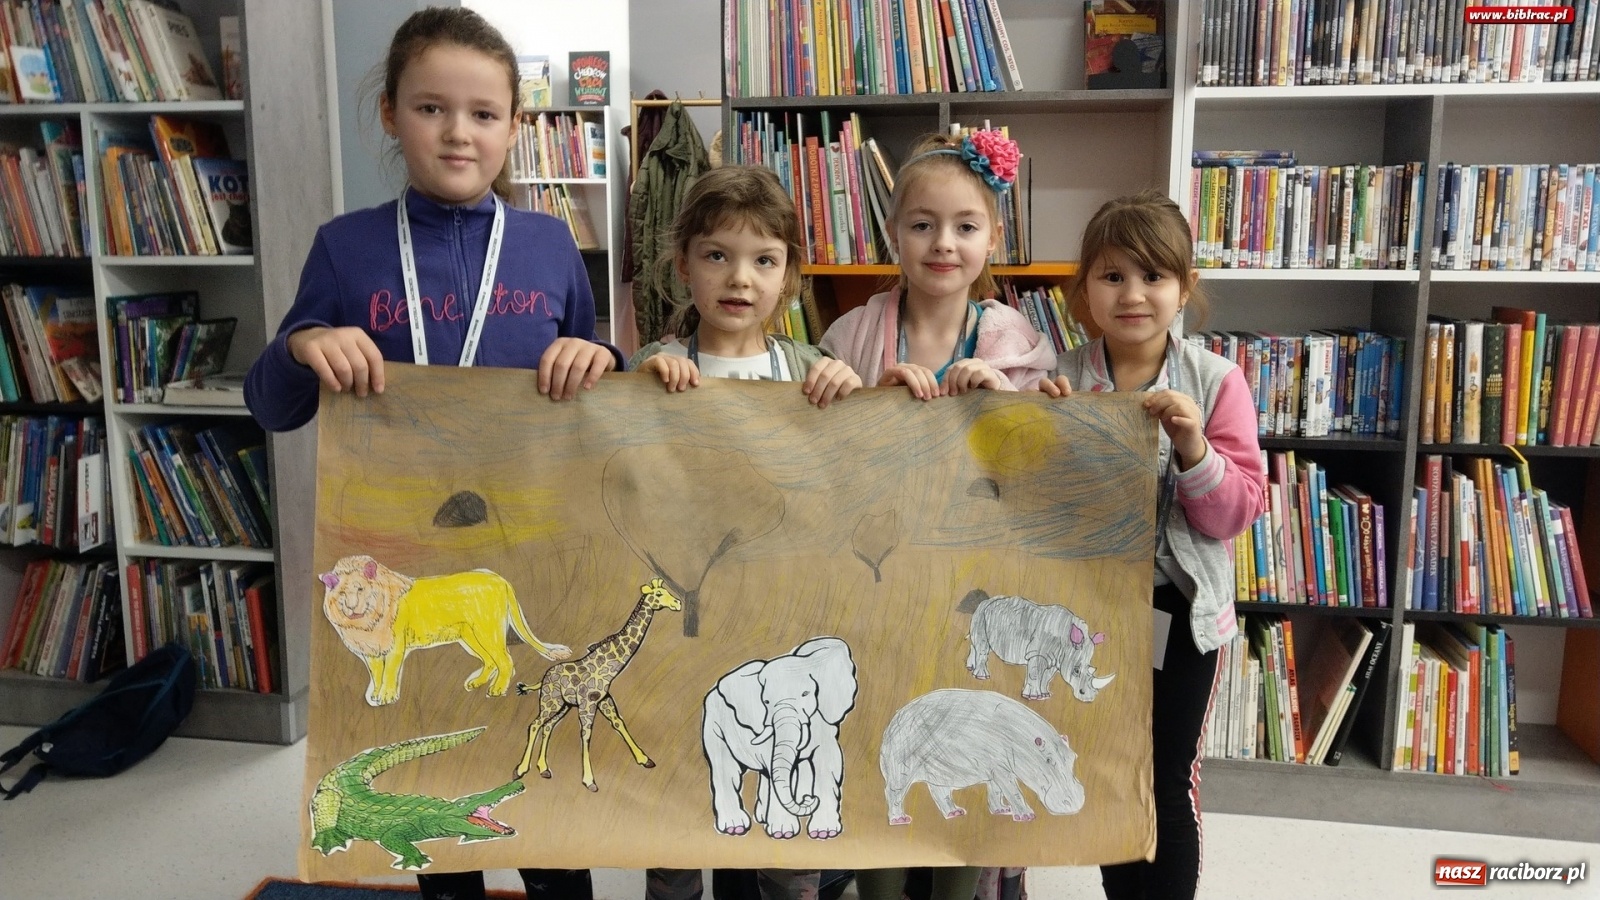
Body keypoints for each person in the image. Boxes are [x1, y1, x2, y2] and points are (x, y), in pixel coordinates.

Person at [243, 9, 619, 900]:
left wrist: (601, 356)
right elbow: (271, 404)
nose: (459, 132)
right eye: (431, 108)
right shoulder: (348, 248)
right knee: (433, 787)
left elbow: (609, 401)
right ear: (389, 114)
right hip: (405, 571)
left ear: (514, 126)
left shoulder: (551, 243)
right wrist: (303, 345)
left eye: (485, 113)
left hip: (530, 554)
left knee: (549, 805)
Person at [818, 131, 1055, 900]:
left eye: (964, 226)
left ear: (993, 236)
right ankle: (877, 879)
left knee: (968, 728)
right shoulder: (853, 332)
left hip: (973, 585)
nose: (943, 243)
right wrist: (854, 398)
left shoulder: (1015, 339)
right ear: (893, 235)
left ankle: (968, 880)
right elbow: (814, 455)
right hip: (879, 584)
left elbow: (1038, 466)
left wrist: (1007, 403)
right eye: (921, 225)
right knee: (889, 726)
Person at [634, 164, 861, 900]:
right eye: (717, 256)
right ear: (683, 265)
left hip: (781, 622)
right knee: (675, 812)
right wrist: (637, 391)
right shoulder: (655, 371)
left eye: (764, 260)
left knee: (787, 833)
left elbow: (847, 488)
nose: (740, 278)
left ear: (789, 275)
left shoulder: (811, 371)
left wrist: (851, 399)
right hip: (682, 633)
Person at [1038, 190, 1265, 900]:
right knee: (1110, 766)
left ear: (1184, 288)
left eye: (1153, 276)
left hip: (1183, 613)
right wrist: (1044, 436)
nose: (1133, 294)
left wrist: (1194, 445)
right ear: (1084, 292)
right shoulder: (1065, 377)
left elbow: (1233, 515)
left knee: (1166, 775)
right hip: (1096, 612)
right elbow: (1038, 509)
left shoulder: (1217, 381)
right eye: (1112, 276)